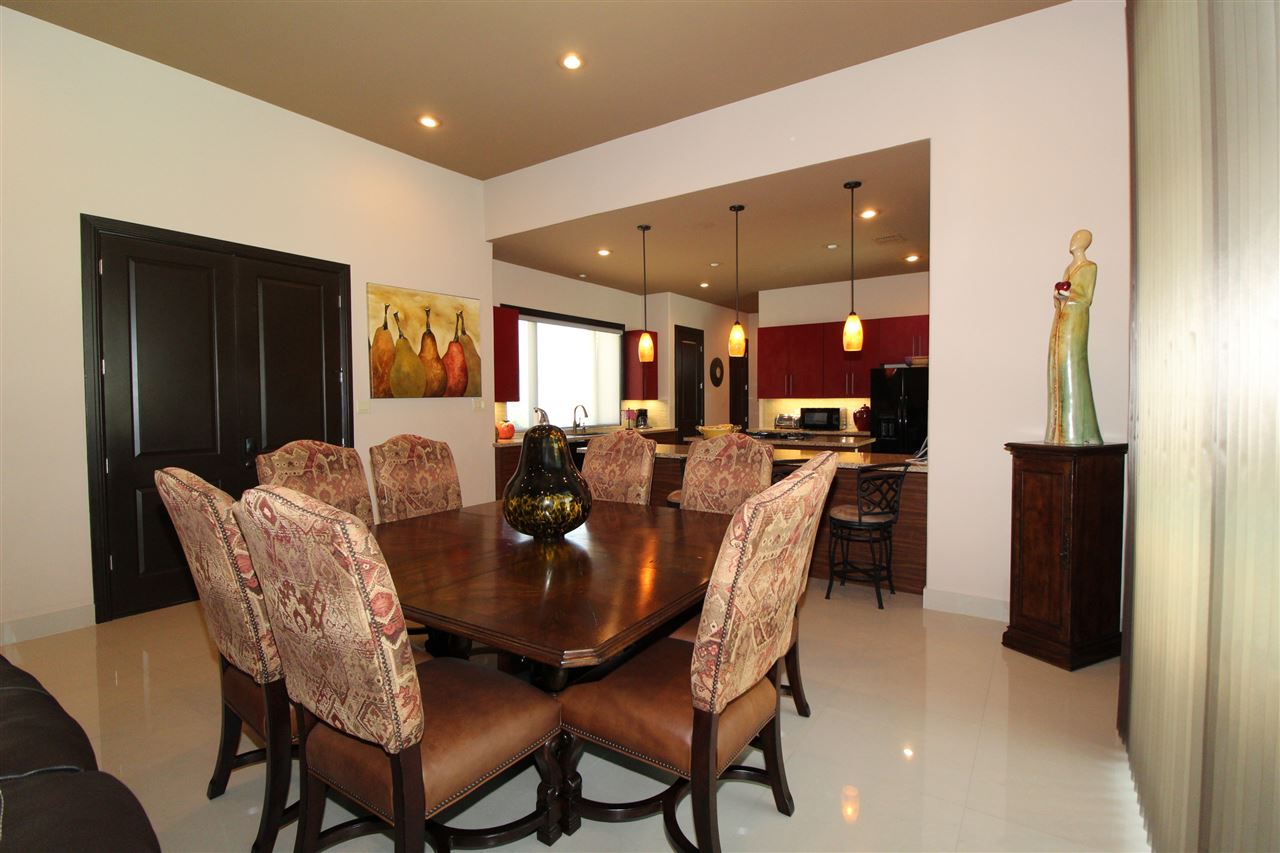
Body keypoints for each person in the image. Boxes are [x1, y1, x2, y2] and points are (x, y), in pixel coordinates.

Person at [1045, 229, 1103, 445]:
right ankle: (1057, 432)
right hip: (1062, 319)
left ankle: (1076, 431)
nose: (1074, 241)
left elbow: (1086, 297)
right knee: (1056, 368)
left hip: (1075, 323)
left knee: (1072, 368)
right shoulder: (1068, 268)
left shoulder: (1089, 267)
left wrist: (1070, 295)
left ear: (1086, 242)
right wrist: (1058, 295)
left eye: (1079, 237)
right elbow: (1061, 297)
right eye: (1074, 237)